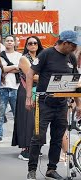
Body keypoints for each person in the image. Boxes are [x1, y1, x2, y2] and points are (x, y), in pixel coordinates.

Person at [26, 30, 81, 180]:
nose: (76, 48)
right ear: (65, 43)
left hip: (62, 104)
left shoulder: (71, 58)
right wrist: (29, 96)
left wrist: (78, 103)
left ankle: (51, 169)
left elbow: (74, 80)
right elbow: (30, 73)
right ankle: (31, 170)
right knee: (38, 137)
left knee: (57, 137)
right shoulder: (46, 54)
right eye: (74, 45)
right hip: (44, 103)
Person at [11, 36, 44, 161]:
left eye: (35, 43)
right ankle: (25, 149)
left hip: (39, 92)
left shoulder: (40, 57)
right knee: (27, 120)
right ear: (26, 45)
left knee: (38, 121)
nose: (33, 45)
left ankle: (36, 147)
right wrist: (45, 76)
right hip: (26, 91)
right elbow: (31, 77)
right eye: (30, 43)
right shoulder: (24, 58)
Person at [0, 35, 22, 143]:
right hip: (2, 87)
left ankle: (19, 135)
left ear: (15, 43)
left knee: (18, 114)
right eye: (7, 41)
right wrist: (14, 67)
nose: (9, 42)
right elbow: (1, 69)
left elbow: (20, 69)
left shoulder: (19, 55)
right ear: (4, 43)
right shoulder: (0, 56)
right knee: (0, 114)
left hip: (15, 87)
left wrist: (9, 68)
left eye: (11, 41)